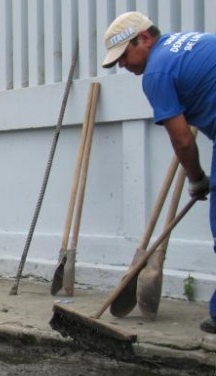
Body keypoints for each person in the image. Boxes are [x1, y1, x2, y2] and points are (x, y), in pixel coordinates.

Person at [101, 11, 216, 333]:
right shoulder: (190, 45)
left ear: (145, 38)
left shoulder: (157, 72)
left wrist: (196, 179)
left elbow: (181, 140)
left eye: (124, 55)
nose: (123, 65)